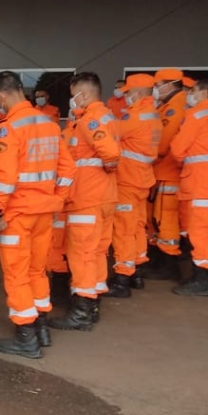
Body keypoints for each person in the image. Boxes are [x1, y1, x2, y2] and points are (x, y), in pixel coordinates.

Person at [0, 71, 74, 358]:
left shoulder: (10, 127)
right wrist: (56, 200)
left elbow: (7, 179)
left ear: (1, 95)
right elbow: (68, 170)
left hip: (18, 214)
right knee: (38, 270)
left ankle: (26, 337)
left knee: (17, 274)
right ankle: (41, 328)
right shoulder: (49, 123)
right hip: (44, 213)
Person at [49, 72, 120, 330]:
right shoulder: (107, 117)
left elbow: (110, 153)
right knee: (98, 252)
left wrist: (109, 167)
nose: (72, 100)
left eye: (73, 95)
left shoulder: (90, 120)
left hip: (87, 198)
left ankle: (82, 312)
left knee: (82, 255)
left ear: (84, 95)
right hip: (104, 197)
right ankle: (93, 304)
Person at [168, 78, 208, 295]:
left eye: (192, 90)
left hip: (202, 179)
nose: (189, 94)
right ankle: (202, 275)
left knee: (199, 230)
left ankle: (203, 280)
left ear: (203, 93)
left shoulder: (196, 115)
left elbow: (177, 148)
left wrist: (187, 158)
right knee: (205, 229)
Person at [106, 74, 161, 297]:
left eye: (128, 92)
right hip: (142, 179)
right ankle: (137, 271)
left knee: (123, 230)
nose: (125, 96)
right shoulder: (153, 115)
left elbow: (112, 133)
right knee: (138, 227)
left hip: (128, 181)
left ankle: (122, 279)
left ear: (137, 93)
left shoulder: (137, 116)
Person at [144, 69, 188, 281]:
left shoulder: (176, 108)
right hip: (161, 173)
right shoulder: (167, 107)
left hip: (168, 173)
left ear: (170, 84)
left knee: (166, 220)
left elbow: (162, 145)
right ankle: (160, 261)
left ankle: (170, 265)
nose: (155, 89)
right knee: (158, 220)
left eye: (157, 84)